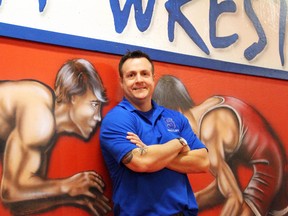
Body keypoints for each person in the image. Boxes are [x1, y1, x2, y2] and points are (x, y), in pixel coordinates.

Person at [153, 75, 288, 216]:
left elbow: (234, 197)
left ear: (177, 111)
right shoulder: (208, 107)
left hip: (268, 168)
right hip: (275, 163)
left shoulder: (208, 133)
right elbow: (221, 190)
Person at [100, 50, 210, 216]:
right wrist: (178, 143)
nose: (139, 80)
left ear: (153, 78)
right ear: (122, 82)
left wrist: (152, 152)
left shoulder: (174, 117)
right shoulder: (116, 120)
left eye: (144, 74)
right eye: (131, 75)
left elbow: (202, 162)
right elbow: (141, 163)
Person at [0, 58, 112, 215]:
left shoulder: (43, 131)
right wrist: (67, 186)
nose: (98, 117)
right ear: (74, 96)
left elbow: (20, 204)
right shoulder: (40, 114)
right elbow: (11, 190)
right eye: (94, 104)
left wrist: (72, 196)